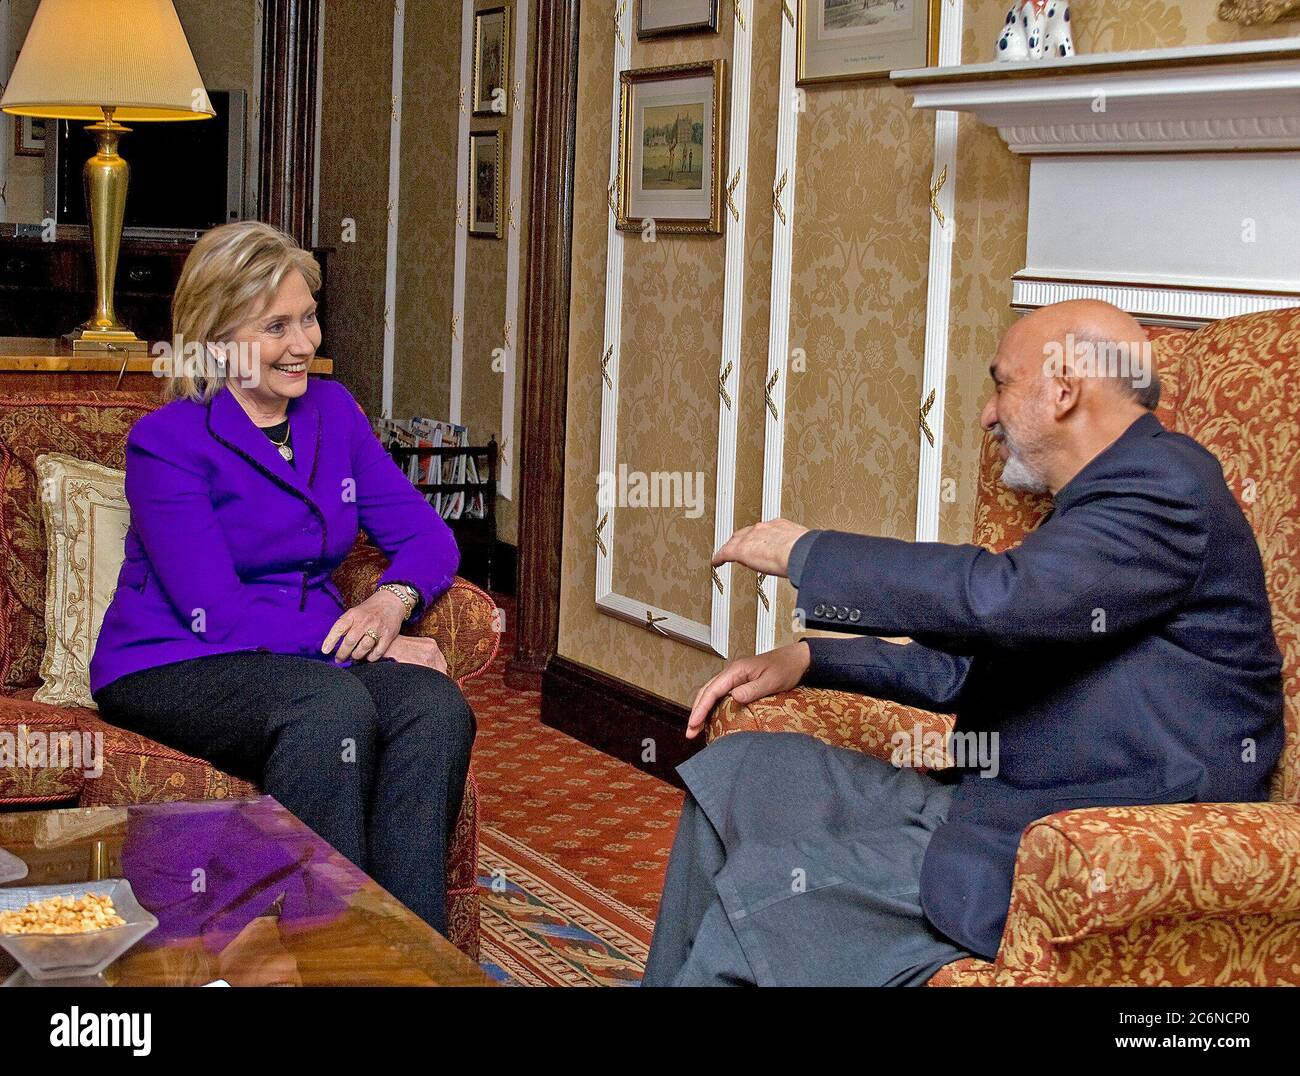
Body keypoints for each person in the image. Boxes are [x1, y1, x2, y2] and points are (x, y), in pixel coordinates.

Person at [643, 300, 1284, 986]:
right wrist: (810, 658)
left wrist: (806, 552)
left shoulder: (1164, 489)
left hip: (1073, 851)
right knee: (739, 774)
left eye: (1002, 383)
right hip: (991, 798)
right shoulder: (1103, 504)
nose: (988, 413)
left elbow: (1001, 599)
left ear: (1064, 388)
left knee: (772, 896)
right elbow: (977, 656)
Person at [89, 221, 475, 937]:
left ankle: (411, 958)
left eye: (307, 319)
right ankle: (322, 952)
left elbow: (426, 535)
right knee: (328, 709)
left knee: (433, 705)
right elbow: (215, 611)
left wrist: (393, 602)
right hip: (178, 660)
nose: (304, 344)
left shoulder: (333, 411)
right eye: (277, 327)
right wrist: (374, 645)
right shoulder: (168, 441)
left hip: (306, 653)